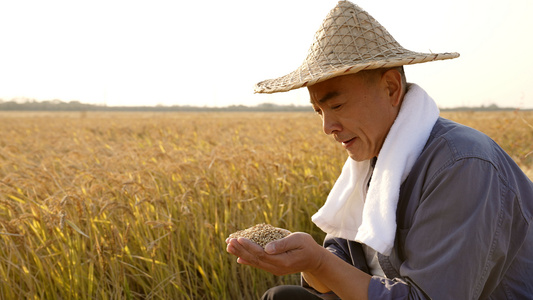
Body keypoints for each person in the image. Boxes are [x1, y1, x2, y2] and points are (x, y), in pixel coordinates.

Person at [226, 1, 533, 299]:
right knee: (281, 296)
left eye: (336, 105)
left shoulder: (462, 165)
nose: (327, 126)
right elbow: (340, 267)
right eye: (319, 111)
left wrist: (318, 261)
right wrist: (307, 260)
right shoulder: (372, 161)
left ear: (391, 89)